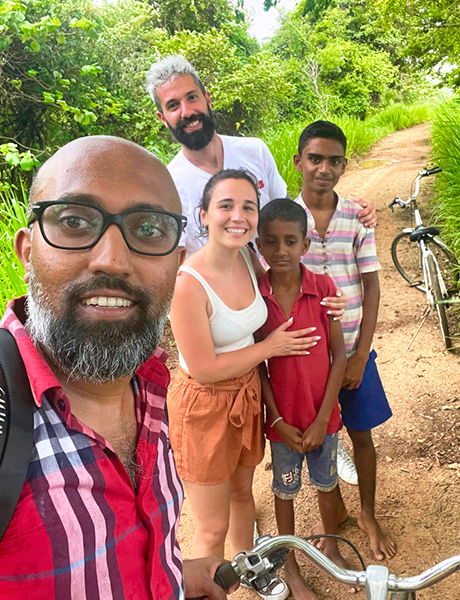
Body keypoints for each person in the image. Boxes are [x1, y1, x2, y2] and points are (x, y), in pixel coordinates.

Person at [0, 136, 231, 599]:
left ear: (176, 262)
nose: (112, 259)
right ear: (28, 251)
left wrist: (169, 574)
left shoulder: (149, 384)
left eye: (149, 229)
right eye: (74, 222)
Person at [167, 169, 346, 599]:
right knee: (210, 526)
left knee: (242, 494)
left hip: (247, 395)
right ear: (203, 215)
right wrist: (274, 348)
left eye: (248, 205)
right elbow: (206, 367)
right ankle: (210, 591)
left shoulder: (250, 261)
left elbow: (295, 271)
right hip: (206, 405)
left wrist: (332, 300)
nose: (238, 215)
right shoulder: (187, 283)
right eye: (225, 205)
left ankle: (250, 573)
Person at [145, 55, 378, 257]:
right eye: (173, 105)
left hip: (277, 296)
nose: (187, 111)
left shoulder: (254, 151)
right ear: (162, 118)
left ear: (207, 99)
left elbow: (289, 214)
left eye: (192, 97)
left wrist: (345, 209)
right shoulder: (168, 186)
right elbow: (178, 264)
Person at [293, 121, 396, 561]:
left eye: (334, 160)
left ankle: (368, 513)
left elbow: (371, 287)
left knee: (361, 436)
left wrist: (358, 355)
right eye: (315, 158)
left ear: (344, 164)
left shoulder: (356, 216)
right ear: (298, 161)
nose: (324, 168)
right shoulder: (285, 218)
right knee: (321, 438)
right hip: (307, 358)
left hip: (354, 350)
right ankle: (331, 521)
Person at [255, 199, 349, 600]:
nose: (281, 251)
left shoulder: (324, 288)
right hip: (283, 428)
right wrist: (276, 421)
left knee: (327, 487)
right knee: (284, 492)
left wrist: (322, 417)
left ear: (305, 245)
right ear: (259, 245)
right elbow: (258, 365)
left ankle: (331, 546)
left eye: (290, 241)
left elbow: (339, 354)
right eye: (272, 242)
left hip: (321, 420)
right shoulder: (255, 296)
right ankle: (289, 562)